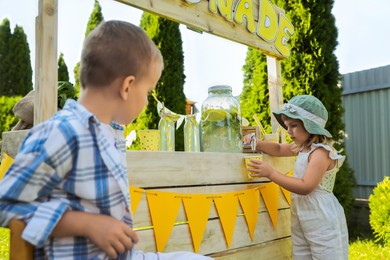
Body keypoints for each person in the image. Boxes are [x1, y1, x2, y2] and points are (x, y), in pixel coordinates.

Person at [0, 20, 212, 260]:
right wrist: (86, 224)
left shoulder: (106, 135)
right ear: (127, 86)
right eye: (147, 92)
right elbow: (6, 203)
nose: (145, 102)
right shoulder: (62, 132)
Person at [244, 95, 348, 259]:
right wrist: (258, 143)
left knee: (326, 253)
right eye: (287, 125)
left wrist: (271, 173)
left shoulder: (320, 153)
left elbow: (306, 186)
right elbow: (278, 149)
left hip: (321, 215)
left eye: (294, 125)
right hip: (300, 213)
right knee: (301, 253)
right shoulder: (301, 147)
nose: (288, 130)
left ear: (310, 126)